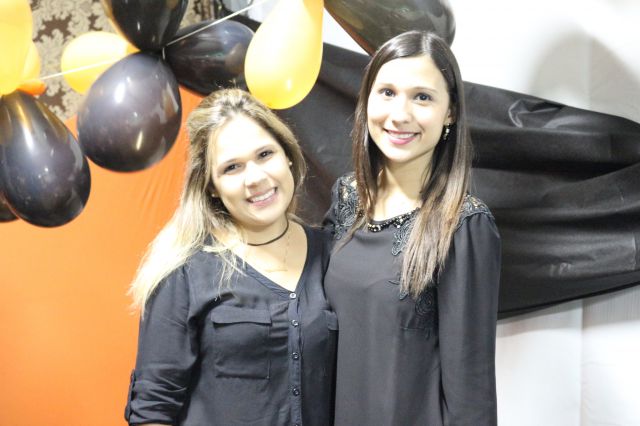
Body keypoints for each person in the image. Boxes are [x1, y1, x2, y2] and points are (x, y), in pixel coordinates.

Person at [125, 89, 337, 426]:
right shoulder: (185, 273)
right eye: (232, 167)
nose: (256, 178)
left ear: (288, 155)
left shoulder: (332, 253)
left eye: (265, 154)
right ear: (211, 185)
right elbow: (152, 409)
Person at [324, 31, 501, 425]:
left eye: (422, 97)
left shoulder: (463, 226)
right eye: (387, 92)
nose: (399, 114)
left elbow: (470, 392)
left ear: (450, 112)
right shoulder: (347, 198)